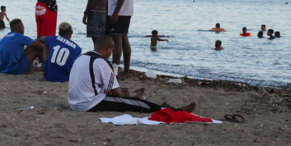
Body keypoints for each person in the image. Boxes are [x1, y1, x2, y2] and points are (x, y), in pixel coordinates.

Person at [68, 35, 196, 113]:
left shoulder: (81, 57)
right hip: (88, 104)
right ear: (107, 49)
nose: (111, 53)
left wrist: (112, 91)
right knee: (134, 102)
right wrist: (120, 93)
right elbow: (117, 93)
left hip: (74, 102)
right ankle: (171, 110)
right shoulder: (101, 62)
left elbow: (90, 83)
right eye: (111, 50)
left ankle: (148, 102)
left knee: (127, 98)